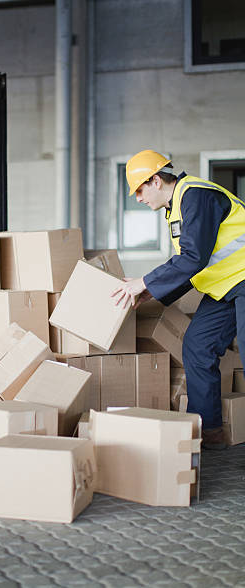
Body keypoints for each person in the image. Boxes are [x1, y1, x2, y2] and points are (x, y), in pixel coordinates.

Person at [112, 149, 245, 450]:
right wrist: (151, 291)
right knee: (198, 347)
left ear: (156, 180)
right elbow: (192, 263)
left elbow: (194, 258)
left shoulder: (196, 195)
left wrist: (144, 281)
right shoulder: (177, 207)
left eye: (140, 190)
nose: (138, 198)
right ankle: (208, 435)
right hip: (225, 287)